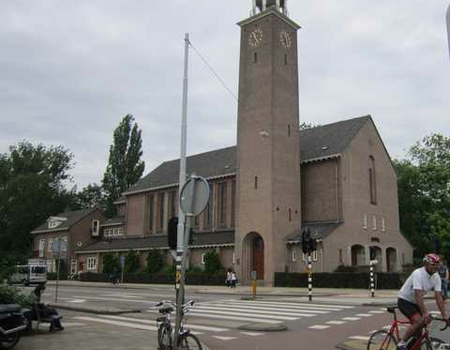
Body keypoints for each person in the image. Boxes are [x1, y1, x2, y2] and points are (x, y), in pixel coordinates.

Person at [396, 254, 450, 350]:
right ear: (426, 264)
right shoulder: (418, 273)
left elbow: (438, 297)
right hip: (404, 300)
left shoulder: (436, 277)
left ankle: (412, 347)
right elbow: (418, 294)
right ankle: (401, 343)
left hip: (415, 302)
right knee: (419, 321)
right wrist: (425, 313)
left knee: (419, 332)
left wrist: (445, 315)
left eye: (438, 264)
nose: (436, 267)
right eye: (433, 264)